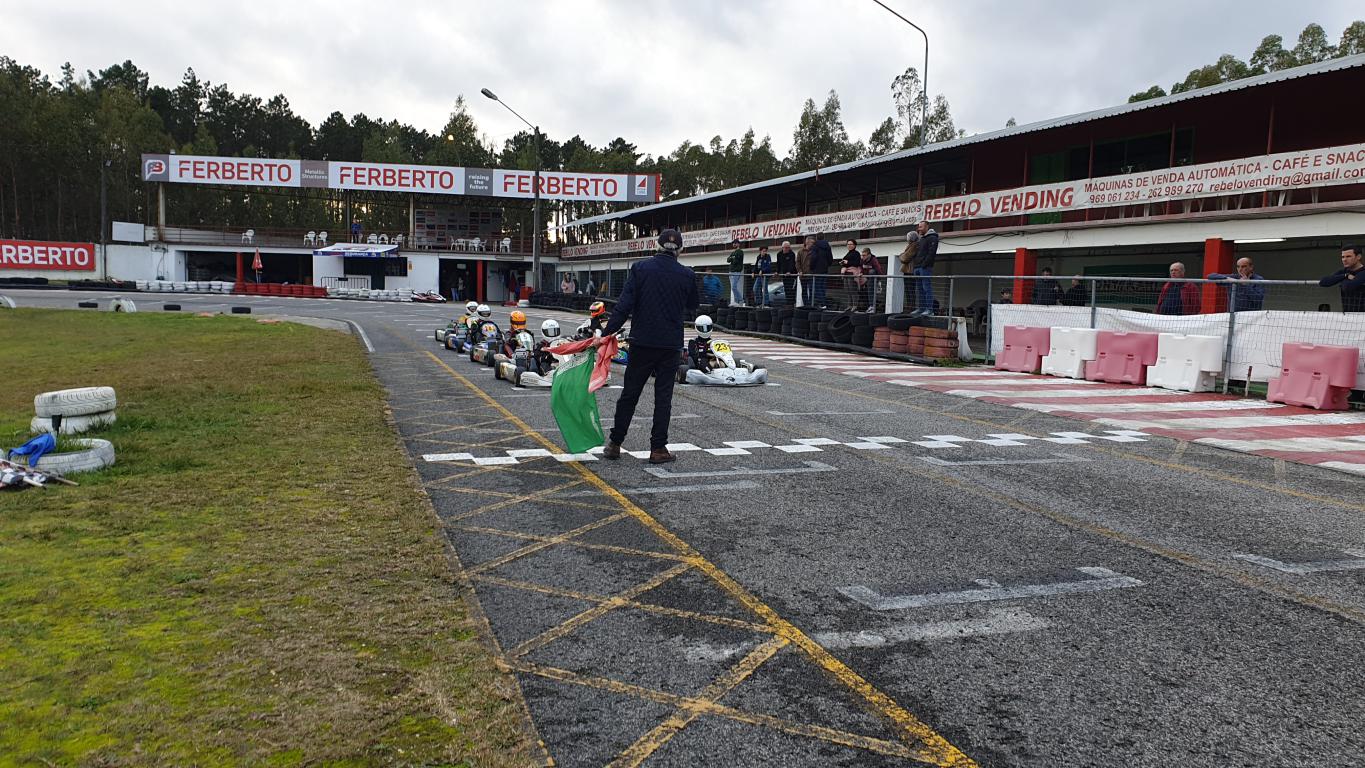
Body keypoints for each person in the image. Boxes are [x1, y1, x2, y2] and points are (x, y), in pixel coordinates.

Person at [602, 228, 700, 465]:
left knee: (630, 394)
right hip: (670, 345)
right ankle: (658, 448)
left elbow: (624, 305)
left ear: (656, 246)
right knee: (663, 397)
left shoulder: (640, 269)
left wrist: (606, 334)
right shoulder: (687, 274)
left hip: (642, 342)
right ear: (680, 250)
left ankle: (615, 444)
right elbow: (693, 305)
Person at [1319, 245, 1365, 312]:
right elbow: (1323, 282)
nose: (1344, 259)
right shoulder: (1343, 272)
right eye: (1343, 257)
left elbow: (1347, 287)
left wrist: (1342, 280)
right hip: (1347, 314)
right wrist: (1345, 276)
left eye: (1348, 256)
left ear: (1358, 257)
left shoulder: (1363, 272)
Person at [912, 221, 940, 316]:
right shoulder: (921, 239)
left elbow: (931, 253)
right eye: (919, 227)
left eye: (921, 227)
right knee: (919, 289)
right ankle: (921, 308)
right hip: (917, 267)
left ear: (927, 226)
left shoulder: (932, 238)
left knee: (926, 288)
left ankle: (929, 310)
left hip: (925, 267)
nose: (919, 229)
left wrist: (924, 264)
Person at [810, 233, 834, 308]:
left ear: (816, 238)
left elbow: (813, 258)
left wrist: (812, 267)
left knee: (817, 287)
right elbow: (830, 258)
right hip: (825, 269)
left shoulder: (815, 246)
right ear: (824, 237)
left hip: (817, 270)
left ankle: (821, 303)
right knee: (823, 287)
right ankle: (824, 304)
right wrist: (827, 265)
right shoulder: (828, 246)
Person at [859, 247, 884, 312]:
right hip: (867, 278)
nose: (862, 257)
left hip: (874, 278)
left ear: (869, 255)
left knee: (872, 271)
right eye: (862, 255)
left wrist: (879, 280)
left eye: (864, 255)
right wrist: (861, 273)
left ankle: (872, 306)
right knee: (867, 291)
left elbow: (879, 269)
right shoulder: (862, 260)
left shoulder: (873, 259)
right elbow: (861, 268)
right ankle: (870, 306)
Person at [727, 240, 746, 306]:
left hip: (736, 272)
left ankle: (740, 299)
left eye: (735, 243)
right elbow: (728, 260)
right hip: (731, 272)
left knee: (734, 287)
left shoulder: (740, 252)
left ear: (738, 244)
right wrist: (732, 258)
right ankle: (736, 301)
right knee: (733, 287)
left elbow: (735, 261)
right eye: (733, 243)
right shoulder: (733, 252)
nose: (734, 244)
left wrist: (732, 258)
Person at [796, 237, 813, 306]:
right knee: (804, 290)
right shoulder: (800, 252)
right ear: (807, 243)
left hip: (811, 275)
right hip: (803, 275)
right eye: (812, 243)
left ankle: (811, 304)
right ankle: (806, 304)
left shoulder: (813, 251)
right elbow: (797, 262)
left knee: (812, 290)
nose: (813, 244)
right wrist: (800, 271)